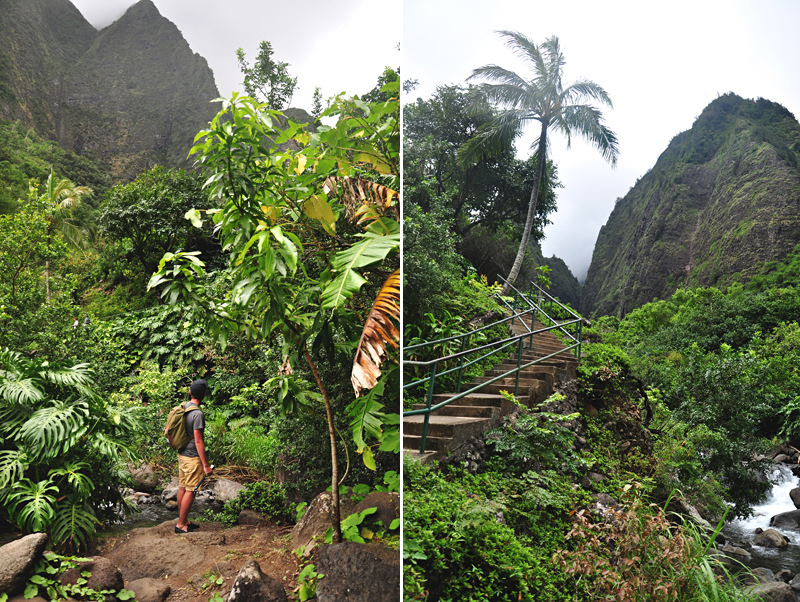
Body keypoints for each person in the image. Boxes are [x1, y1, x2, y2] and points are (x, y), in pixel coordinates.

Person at [175, 378, 213, 534]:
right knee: (190, 490)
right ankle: (181, 525)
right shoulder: (197, 414)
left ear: (190, 393)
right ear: (204, 395)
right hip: (192, 457)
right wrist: (205, 465)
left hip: (182, 454)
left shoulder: (183, 407)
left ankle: (184, 520)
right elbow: (198, 441)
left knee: (182, 487)